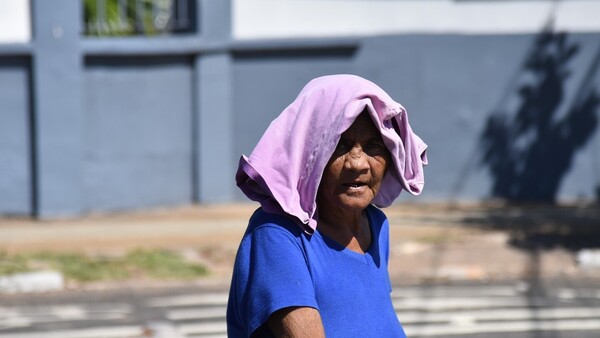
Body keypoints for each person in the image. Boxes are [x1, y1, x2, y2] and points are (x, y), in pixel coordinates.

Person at [227, 74, 428, 337]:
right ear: (311, 155)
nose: (357, 163)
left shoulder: (376, 226)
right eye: (341, 145)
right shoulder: (276, 235)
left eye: (373, 146)